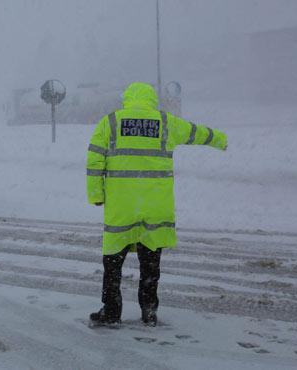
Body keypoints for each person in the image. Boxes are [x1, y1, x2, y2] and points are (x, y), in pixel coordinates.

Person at [86, 82, 227, 326]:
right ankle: (149, 311)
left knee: (112, 263)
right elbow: (195, 133)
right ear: (152, 100)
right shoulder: (165, 122)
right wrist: (220, 139)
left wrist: (96, 195)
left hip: (122, 208)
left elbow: (94, 161)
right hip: (155, 207)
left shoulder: (110, 122)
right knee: (150, 264)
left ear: (127, 99)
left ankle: (111, 312)